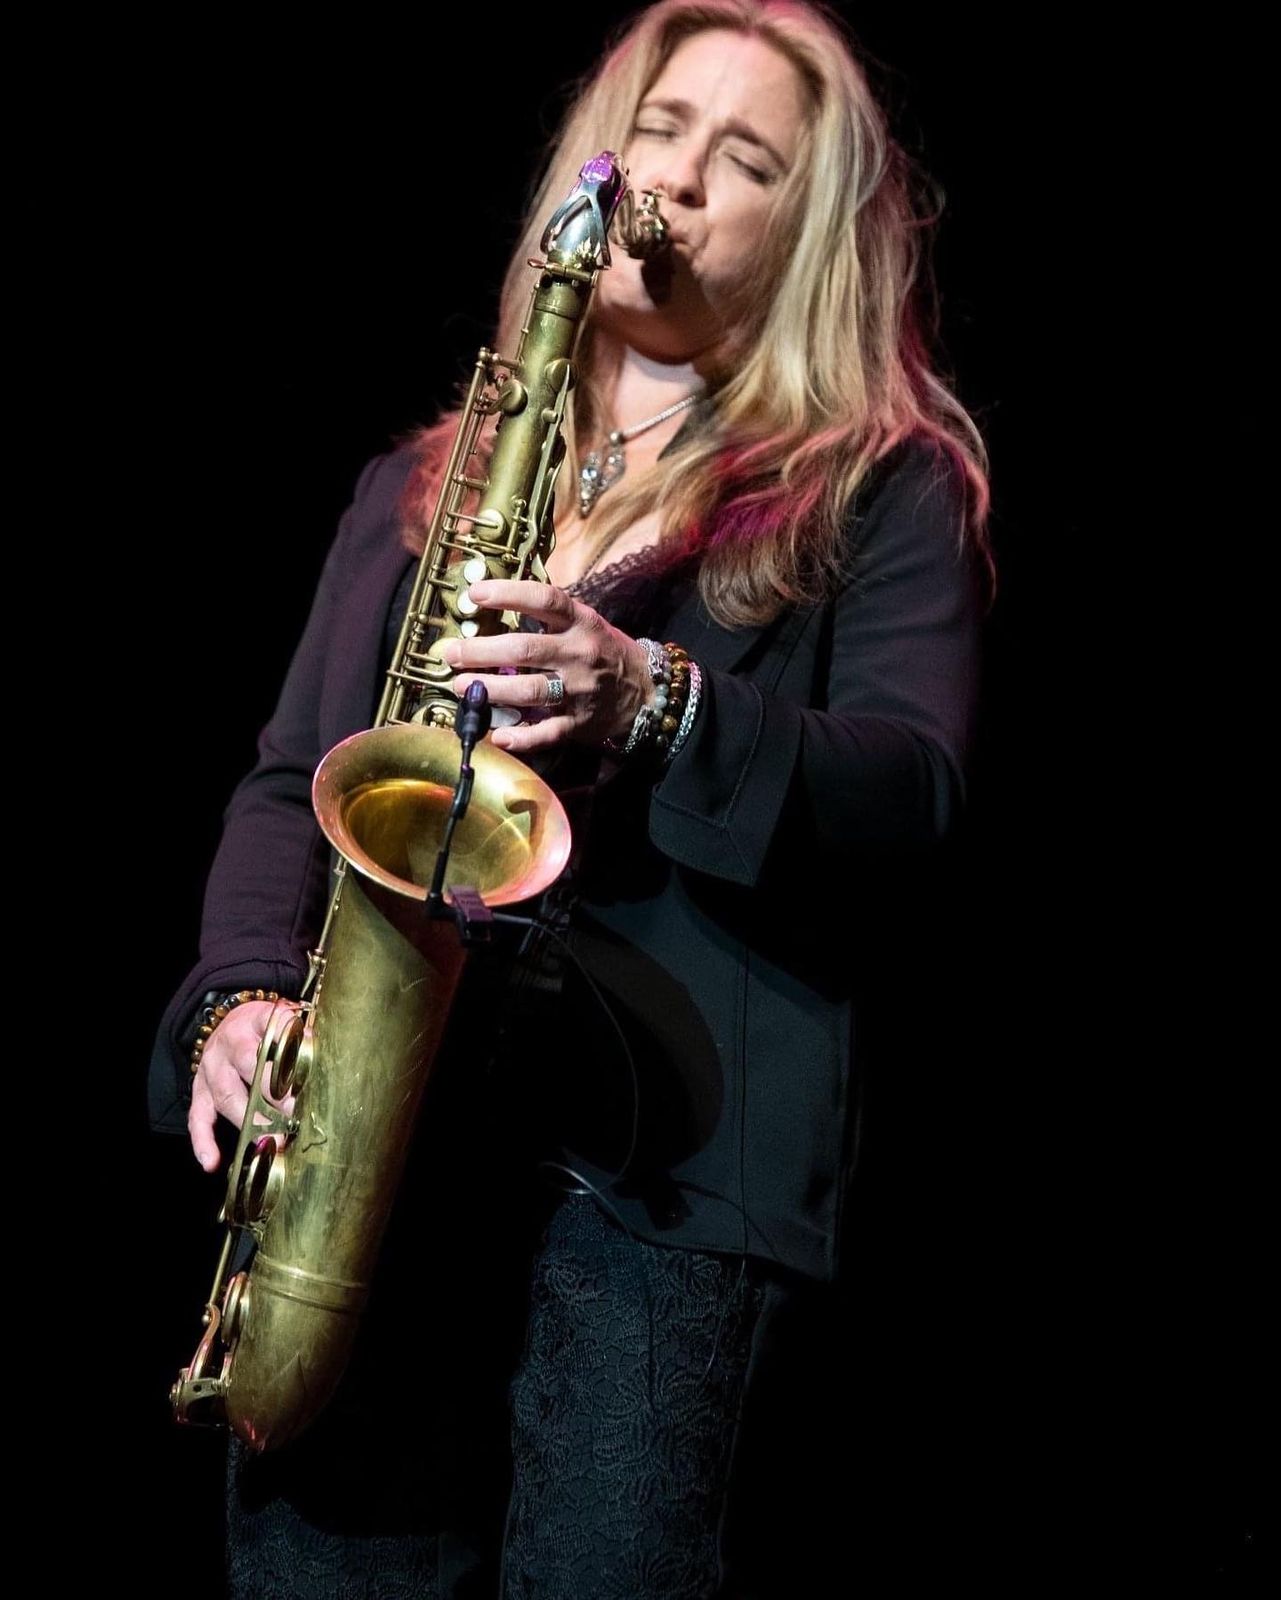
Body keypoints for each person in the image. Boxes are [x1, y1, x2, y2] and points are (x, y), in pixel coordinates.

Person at [150, 2, 992, 1594]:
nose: (676, 182)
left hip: (653, 1194)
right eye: (657, 131)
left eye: (744, 161)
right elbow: (287, 780)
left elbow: (916, 794)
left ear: (805, 235)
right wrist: (236, 1001)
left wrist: (653, 700)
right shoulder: (424, 483)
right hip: (378, 1171)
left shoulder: (878, 487)